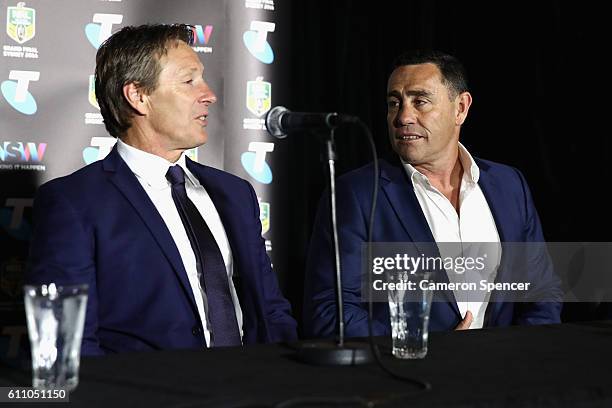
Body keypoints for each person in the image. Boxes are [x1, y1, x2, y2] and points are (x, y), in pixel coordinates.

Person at [26, 24, 297, 355]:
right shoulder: (74, 203)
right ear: (139, 96)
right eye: (189, 81)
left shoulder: (235, 193)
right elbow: (69, 343)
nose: (209, 94)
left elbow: (270, 311)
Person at [303, 50, 562, 338]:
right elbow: (330, 312)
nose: (403, 117)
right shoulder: (356, 195)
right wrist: (425, 349)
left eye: (420, 101)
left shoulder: (509, 185)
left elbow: (542, 293)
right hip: (407, 378)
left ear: (460, 108)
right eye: (394, 103)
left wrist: (512, 357)